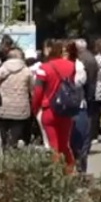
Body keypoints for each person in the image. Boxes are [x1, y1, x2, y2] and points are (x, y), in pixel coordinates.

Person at [33, 39, 80, 172]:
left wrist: (35, 108)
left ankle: (56, 174)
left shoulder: (44, 68)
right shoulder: (71, 66)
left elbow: (38, 91)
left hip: (49, 109)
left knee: (53, 145)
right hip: (66, 109)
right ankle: (70, 171)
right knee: (65, 144)